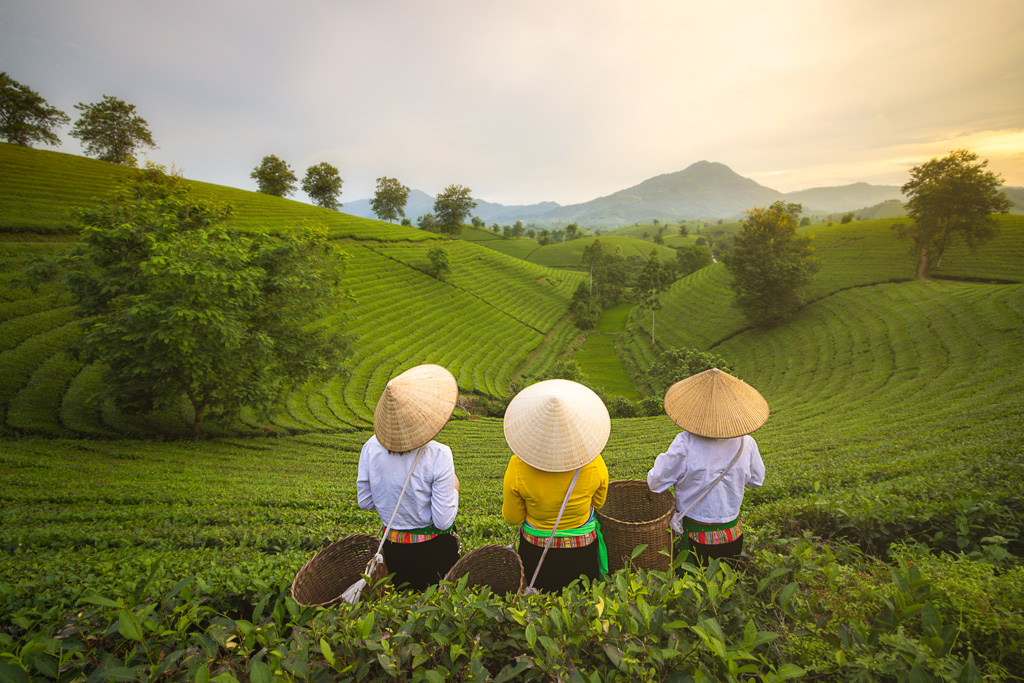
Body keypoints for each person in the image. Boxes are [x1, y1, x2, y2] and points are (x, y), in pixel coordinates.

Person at [647, 368, 768, 565]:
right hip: (733, 533)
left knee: (693, 588)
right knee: (725, 587)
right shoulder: (747, 443)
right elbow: (756, 481)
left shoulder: (685, 443)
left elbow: (655, 483)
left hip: (696, 535)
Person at [357, 364, 461, 591]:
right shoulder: (439, 453)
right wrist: (455, 487)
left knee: (399, 610)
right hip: (432, 552)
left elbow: (364, 502)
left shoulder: (370, 446)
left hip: (391, 550)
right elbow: (443, 521)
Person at [501, 379, 610, 592]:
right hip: (582, 553)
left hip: (536, 553)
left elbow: (512, 517)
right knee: (579, 609)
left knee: (540, 608)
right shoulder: (595, 462)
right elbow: (599, 502)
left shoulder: (517, 466)